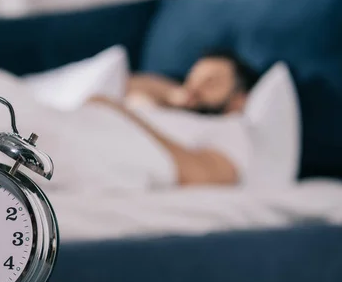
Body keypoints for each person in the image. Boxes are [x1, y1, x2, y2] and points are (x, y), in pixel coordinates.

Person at [88, 51, 261, 186]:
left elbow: (202, 175)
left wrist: (124, 117)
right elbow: (126, 83)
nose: (193, 88)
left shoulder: (230, 127)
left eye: (210, 82)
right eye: (192, 79)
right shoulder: (163, 106)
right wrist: (172, 93)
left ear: (239, 100)